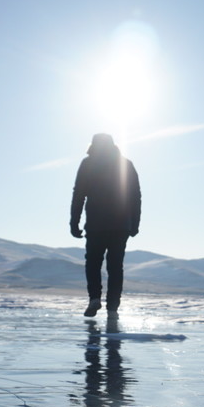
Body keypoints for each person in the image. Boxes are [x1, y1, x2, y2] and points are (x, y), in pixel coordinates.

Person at [70, 133, 141, 317]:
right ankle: (112, 307)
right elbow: (135, 196)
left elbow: (78, 194)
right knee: (115, 266)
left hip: (96, 224)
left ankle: (94, 299)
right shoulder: (125, 164)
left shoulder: (87, 164)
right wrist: (134, 223)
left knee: (93, 263)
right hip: (121, 225)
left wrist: (74, 222)